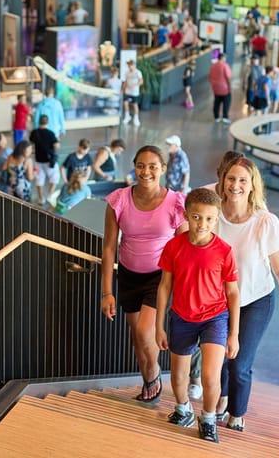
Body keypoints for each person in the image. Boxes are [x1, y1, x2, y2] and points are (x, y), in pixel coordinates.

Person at [216, 157, 279, 432]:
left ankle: (237, 412)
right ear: (223, 182)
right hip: (219, 301)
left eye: (243, 180)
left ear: (253, 186)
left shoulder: (265, 222)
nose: (236, 185)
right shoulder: (213, 215)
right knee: (217, 356)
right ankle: (220, 399)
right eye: (231, 179)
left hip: (255, 301)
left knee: (239, 362)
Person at [100, 145, 188, 403]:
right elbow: (108, 248)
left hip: (160, 277)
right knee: (138, 339)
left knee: (143, 331)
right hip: (128, 275)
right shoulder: (119, 200)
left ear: (162, 169)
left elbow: (183, 249)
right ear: (134, 167)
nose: (146, 171)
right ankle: (148, 379)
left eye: (152, 166)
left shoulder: (175, 202)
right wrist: (107, 292)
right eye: (141, 166)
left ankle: (154, 375)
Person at [156, 188, 239, 443]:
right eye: (196, 217)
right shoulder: (173, 247)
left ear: (217, 219)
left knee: (210, 376)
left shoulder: (224, 251)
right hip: (182, 317)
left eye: (209, 219)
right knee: (178, 377)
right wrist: (159, 326)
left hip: (215, 318)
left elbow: (233, 293)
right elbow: (164, 287)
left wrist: (233, 334)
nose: (202, 224)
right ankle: (183, 409)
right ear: (186, 215)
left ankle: (209, 418)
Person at [29, 115, 60, 206]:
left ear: (39, 122)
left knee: (39, 179)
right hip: (49, 160)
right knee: (54, 178)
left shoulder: (34, 133)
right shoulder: (50, 133)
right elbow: (56, 146)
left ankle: (40, 198)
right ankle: (49, 196)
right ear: (47, 122)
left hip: (38, 160)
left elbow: (31, 142)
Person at [208, 49, 232, 124]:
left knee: (217, 102)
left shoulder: (213, 66)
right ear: (223, 58)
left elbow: (209, 77)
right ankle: (225, 117)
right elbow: (228, 77)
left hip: (215, 88)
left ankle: (216, 117)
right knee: (226, 102)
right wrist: (229, 87)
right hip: (224, 88)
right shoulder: (225, 66)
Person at [122, 60, 143, 127]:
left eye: (130, 65)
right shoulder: (127, 73)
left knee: (135, 105)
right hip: (127, 91)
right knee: (125, 103)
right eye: (128, 65)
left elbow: (141, 81)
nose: (129, 67)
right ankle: (127, 116)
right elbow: (125, 82)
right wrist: (123, 89)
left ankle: (136, 118)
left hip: (134, 92)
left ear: (133, 65)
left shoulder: (138, 72)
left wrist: (134, 85)